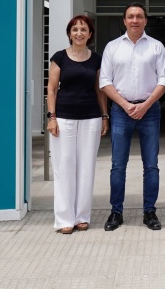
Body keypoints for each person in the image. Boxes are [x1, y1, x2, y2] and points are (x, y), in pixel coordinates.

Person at [100, 3, 165, 231]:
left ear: (145, 21)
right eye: (130, 16)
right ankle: (116, 212)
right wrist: (126, 105)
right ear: (124, 20)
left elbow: (164, 81)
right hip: (121, 112)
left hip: (150, 111)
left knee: (151, 165)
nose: (135, 20)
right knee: (118, 165)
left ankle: (149, 212)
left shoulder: (156, 47)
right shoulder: (112, 48)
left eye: (139, 16)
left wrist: (145, 105)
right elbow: (105, 82)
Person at [46, 15, 108, 234]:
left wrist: (104, 116)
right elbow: (51, 89)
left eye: (83, 29)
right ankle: (64, 219)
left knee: (86, 167)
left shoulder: (96, 59)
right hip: (63, 118)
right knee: (64, 167)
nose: (79, 33)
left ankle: (82, 216)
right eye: (75, 30)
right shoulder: (59, 58)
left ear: (90, 34)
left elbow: (100, 90)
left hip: (90, 117)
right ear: (69, 33)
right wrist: (51, 117)